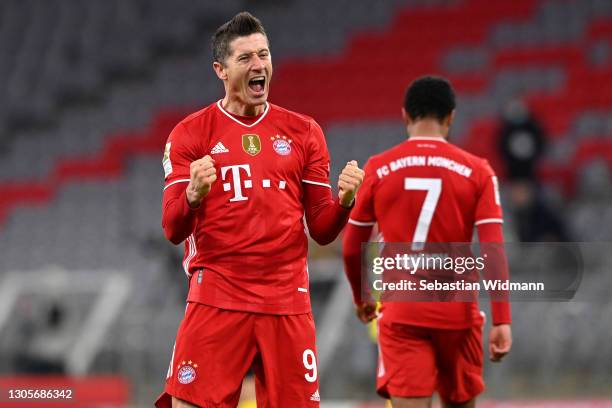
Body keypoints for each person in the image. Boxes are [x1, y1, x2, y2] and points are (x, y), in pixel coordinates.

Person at [155, 12, 364, 408]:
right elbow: (172, 227)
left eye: (264, 55)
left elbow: (320, 227)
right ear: (220, 69)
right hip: (218, 295)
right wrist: (193, 195)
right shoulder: (190, 134)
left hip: (287, 301)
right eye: (246, 58)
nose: (259, 65)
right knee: (188, 405)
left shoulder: (304, 132)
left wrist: (345, 203)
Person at [342, 77, 512, 408]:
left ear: (405, 116)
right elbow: (493, 249)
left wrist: (361, 295)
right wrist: (502, 319)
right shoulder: (479, 171)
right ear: (451, 118)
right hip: (458, 314)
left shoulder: (378, 168)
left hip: (403, 312)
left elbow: (352, 245)